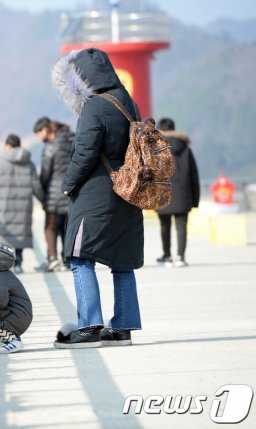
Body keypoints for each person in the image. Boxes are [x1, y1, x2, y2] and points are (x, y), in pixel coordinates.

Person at [50, 47, 144, 348]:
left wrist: (68, 185)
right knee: (122, 261)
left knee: (80, 257)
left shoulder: (94, 107)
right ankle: (123, 328)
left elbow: (85, 152)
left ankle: (89, 327)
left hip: (95, 195)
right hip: (127, 192)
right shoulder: (128, 103)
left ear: (81, 78)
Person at [0, 133, 44, 273]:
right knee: (20, 233)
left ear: (7, 145)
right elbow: (36, 185)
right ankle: (19, 263)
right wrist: (43, 200)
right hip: (23, 205)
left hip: (4, 205)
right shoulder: (29, 163)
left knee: (4, 234)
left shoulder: (0, 163)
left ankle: (5, 263)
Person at [155, 117, 200, 267]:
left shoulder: (156, 148)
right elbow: (194, 175)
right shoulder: (186, 148)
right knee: (182, 226)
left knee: (164, 226)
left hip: (163, 194)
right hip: (183, 194)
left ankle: (167, 257)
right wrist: (195, 199)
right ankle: (180, 257)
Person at [34, 119, 73, 272]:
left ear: (49, 131)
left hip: (53, 193)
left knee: (50, 227)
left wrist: (43, 194)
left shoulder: (50, 147)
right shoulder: (74, 140)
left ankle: (52, 258)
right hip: (72, 191)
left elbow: (45, 173)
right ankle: (68, 258)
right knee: (67, 226)